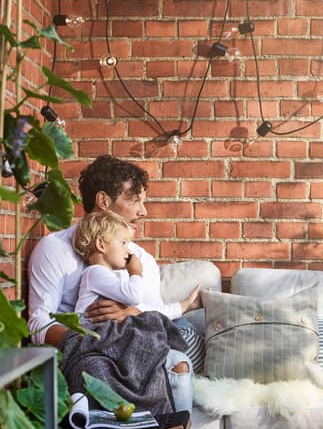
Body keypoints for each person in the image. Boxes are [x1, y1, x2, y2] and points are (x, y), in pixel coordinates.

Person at [27, 155, 200, 414]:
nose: (144, 211)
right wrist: (94, 340)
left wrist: (130, 314)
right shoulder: (55, 249)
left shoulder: (140, 260)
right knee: (93, 369)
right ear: (104, 201)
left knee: (179, 365)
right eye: (135, 200)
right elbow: (38, 324)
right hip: (81, 347)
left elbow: (154, 322)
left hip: (136, 344)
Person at [72, 210, 144, 314]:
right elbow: (134, 297)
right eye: (123, 243)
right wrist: (136, 272)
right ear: (101, 245)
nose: (128, 251)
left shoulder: (105, 275)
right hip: (93, 329)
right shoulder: (95, 273)